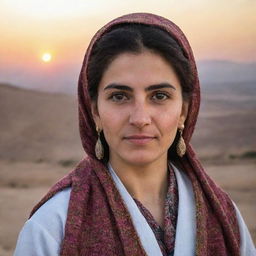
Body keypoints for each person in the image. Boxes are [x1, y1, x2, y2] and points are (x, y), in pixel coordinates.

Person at [14, 13, 255, 256]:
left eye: (159, 96)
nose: (140, 119)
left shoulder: (225, 216)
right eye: (119, 96)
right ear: (95, 111)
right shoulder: (53, 226)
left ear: (184, 110)